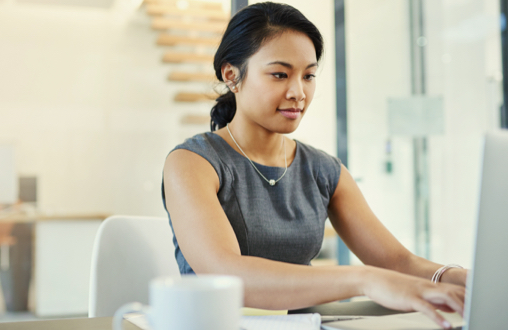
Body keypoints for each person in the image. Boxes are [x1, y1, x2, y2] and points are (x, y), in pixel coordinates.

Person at [162, 2, 467, 329]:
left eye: (308, 75)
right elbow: (226, 272)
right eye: (280, 74)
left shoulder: (324, 169)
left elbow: (396, 261)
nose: (298, 92)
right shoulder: (192, 162)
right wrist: (362, 279)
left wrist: (459, 278)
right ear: (232, 75)